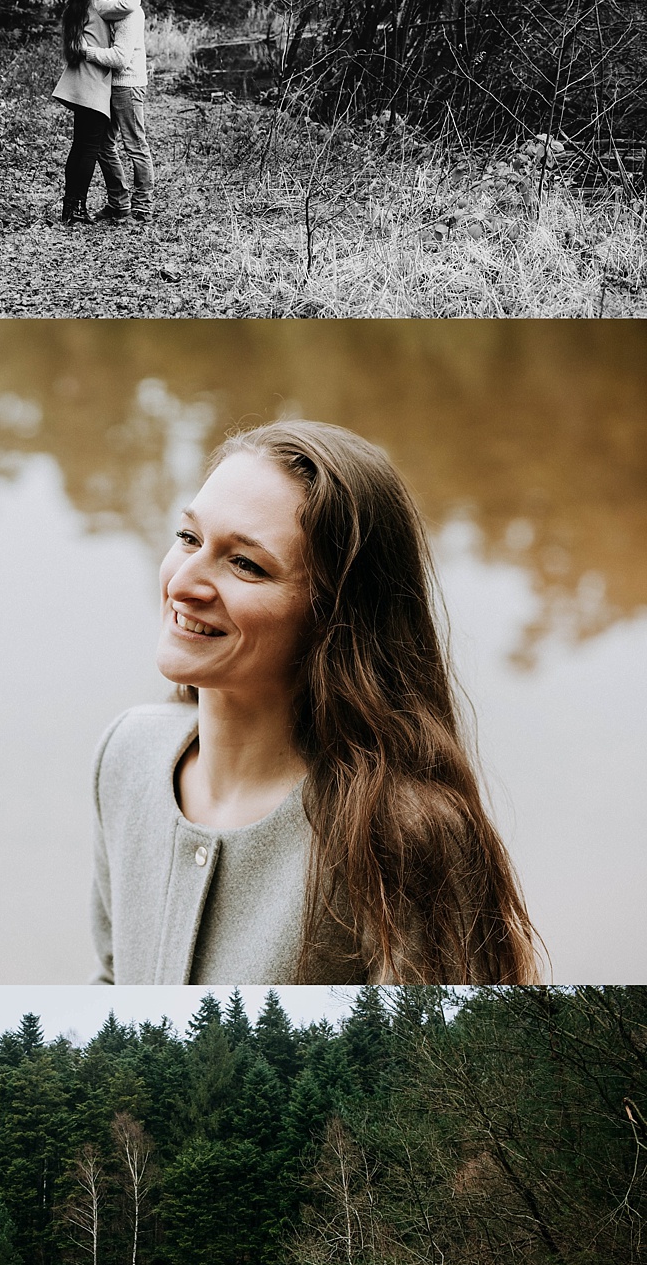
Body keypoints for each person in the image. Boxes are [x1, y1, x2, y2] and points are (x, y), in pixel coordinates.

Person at [91, 420, 540, 986]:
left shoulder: (402, 838)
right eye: (188, 538)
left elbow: (437, 1064)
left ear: (335, 619)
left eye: (245, 564)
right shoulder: (127, 753)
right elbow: (110, 982)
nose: (183, 582)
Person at [51, 0, 130, 225]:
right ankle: (76, 210)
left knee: (79, 147)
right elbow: (128, 6)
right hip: (93, 84)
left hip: (80, 82)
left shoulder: (77, 7)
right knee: (88, 149)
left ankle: (70, 207)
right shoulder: (96, 3)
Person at [94, 0, 155, 221]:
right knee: (102, 144)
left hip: (128, 85)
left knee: (136, 145)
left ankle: (143, 207)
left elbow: (119, 59)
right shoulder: (111, 5)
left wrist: (86, 52)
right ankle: (118, 203)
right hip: (110, 84)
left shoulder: (131, 12)